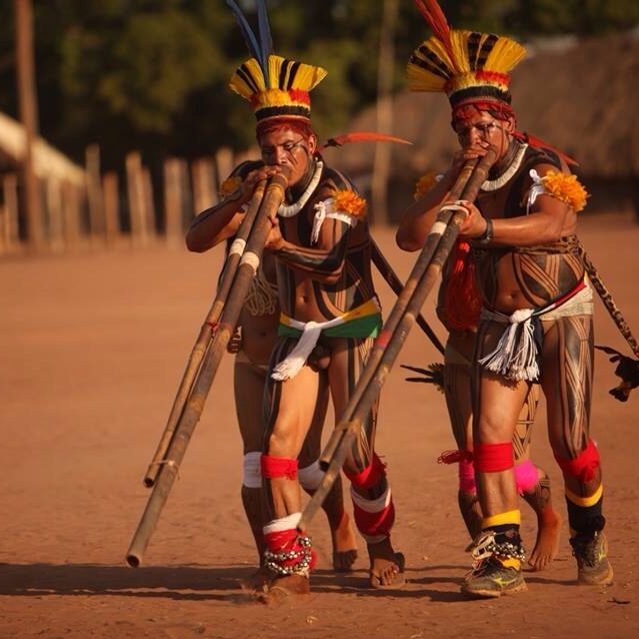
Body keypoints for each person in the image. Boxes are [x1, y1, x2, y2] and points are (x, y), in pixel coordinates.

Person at [398, 1, 612, 598]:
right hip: (497, 318)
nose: (474, 137)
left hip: (558, 313)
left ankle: (588, 530)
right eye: (464, 129)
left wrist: (483, 230)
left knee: (569, 442)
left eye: (483, 127)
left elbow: (554, 227)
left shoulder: (541, 164)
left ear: (507, 123)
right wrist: (446, 184)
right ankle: (502, 557)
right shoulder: (459, 177)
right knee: (489, 436)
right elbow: (408, 236)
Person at [217, 1, 404, 601]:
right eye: (270, 149)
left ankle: (382, 548)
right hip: (298, 333)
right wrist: (238, 205)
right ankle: (292, 564)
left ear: (311, 143)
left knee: (354, 454)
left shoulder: (339, 192)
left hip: (348, 327)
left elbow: (331, 261)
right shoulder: (255, 180)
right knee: (277, 452)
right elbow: (199, 237)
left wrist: (272, 241)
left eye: (289, 148)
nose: (279, 160)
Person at [185, 178, 359, 585]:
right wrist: (237, 201)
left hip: (296, 357)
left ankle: (340, 522)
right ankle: (276, 558)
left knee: (307, 466)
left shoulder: (297, 230)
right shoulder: (237, 225)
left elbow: (321, 284)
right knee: (253, 467)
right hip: (248, 360)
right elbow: (197, 239)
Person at [408, 174, 560, 572]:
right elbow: (409, 237)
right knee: (470, 465)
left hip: (507, 344)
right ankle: (492, 554)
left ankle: (548, 517)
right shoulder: (444, 195)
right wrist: (446, 194)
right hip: (460, 343)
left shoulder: (514, 203)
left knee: (513, 461)